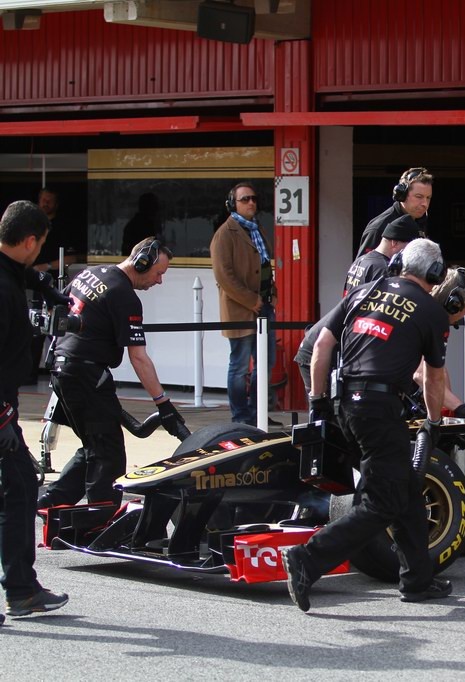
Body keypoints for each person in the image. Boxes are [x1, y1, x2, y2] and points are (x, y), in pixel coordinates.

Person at [281, 238, 453, 611]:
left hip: (345, 402)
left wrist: (317, 401)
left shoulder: (362, 292)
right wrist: (433, 420)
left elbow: (322, 345)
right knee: (383, 500)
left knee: (404, 486)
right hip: (379, 407)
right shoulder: (431, 311)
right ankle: (307, 558)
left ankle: (417, 580)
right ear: (436, 274)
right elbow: (434, 378)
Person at [37, 238, 189, 510]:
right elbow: (139, 358)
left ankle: (50, 504)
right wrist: (163, 404)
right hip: (85, 374)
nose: (159, 281)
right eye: (159, 273)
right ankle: (99, 520)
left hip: (63, 369)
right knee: (109, 456)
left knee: (94, 446)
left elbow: (57, 311)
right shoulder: (124, 295)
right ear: (143, 262)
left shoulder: (91, 273)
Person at [0, 201, 69, 621]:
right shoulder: (3, 290)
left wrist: (43, 283)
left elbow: (21, 272)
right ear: (29, 241)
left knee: (22, 488)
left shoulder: (11, 274)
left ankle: (23, 589)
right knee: (20, 490)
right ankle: (22, 590)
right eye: (39, 245)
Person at [294, 215, 422, 393]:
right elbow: (380, 318)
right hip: (326, 350)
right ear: (394, 243)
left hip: (322, 343)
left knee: (329, 414)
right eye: (408, 249)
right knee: (330, 416)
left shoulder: (363, 260)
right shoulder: (383, 270)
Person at [210, 182, 276, 426]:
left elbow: (267, 266)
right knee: (239, 366)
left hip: (265, 306)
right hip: (241, 309)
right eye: (245, 199)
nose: (251, 203)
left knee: (266, 363)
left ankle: (257, 413)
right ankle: (240, 417)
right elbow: (224, 276)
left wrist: (272, 297)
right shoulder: (224, 234)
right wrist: (252, 301)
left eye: (254, 198)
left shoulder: (257, 229)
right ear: (232, 204)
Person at [411, 266, 465, 419]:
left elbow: (437, 369)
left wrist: (448, 409)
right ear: (455, 304)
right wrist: (459, 407)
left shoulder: (429, 315)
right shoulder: (426, 319)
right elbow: (420, 373)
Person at [355, 167, 431, 255]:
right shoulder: (378, 227)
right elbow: (364, 266)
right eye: (419, 197)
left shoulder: (420, 221)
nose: (425, 203)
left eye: (428, 198)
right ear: (402, 195)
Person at [33, 187, 84, 273]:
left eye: (50, 201)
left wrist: (47, 266)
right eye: (44, 200)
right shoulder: (30, 224)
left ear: (56, 204)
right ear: (38, 202)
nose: (46, 203)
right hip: (29, 278)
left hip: (54, 279)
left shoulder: (64, 227)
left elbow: (72, 258)